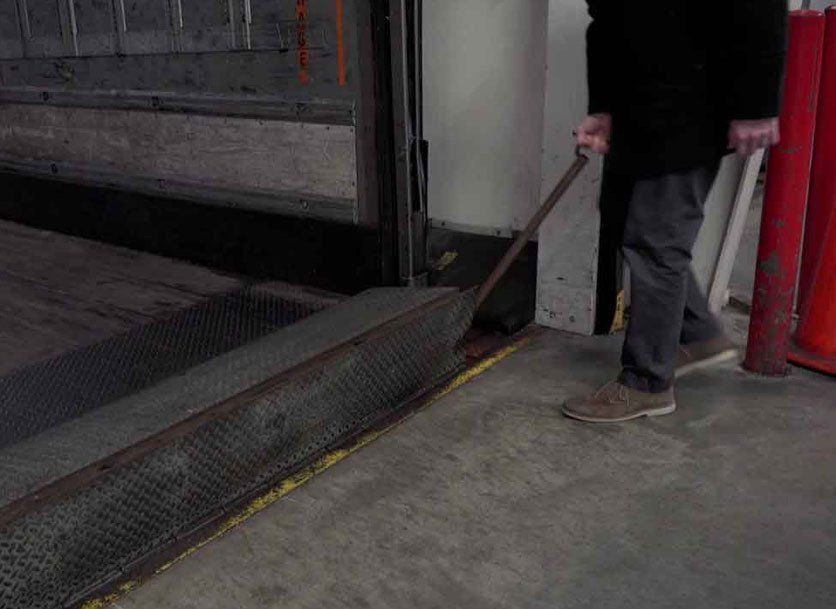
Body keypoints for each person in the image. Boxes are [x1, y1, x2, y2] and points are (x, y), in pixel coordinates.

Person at [563, 0, 788, 423]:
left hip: (695, 102)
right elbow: (607, 17)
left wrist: (757, 101)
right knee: (620, 216)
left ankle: (647, 383)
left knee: (656, 238)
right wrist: (603, 107)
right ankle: (695, 331)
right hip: (638, 103)